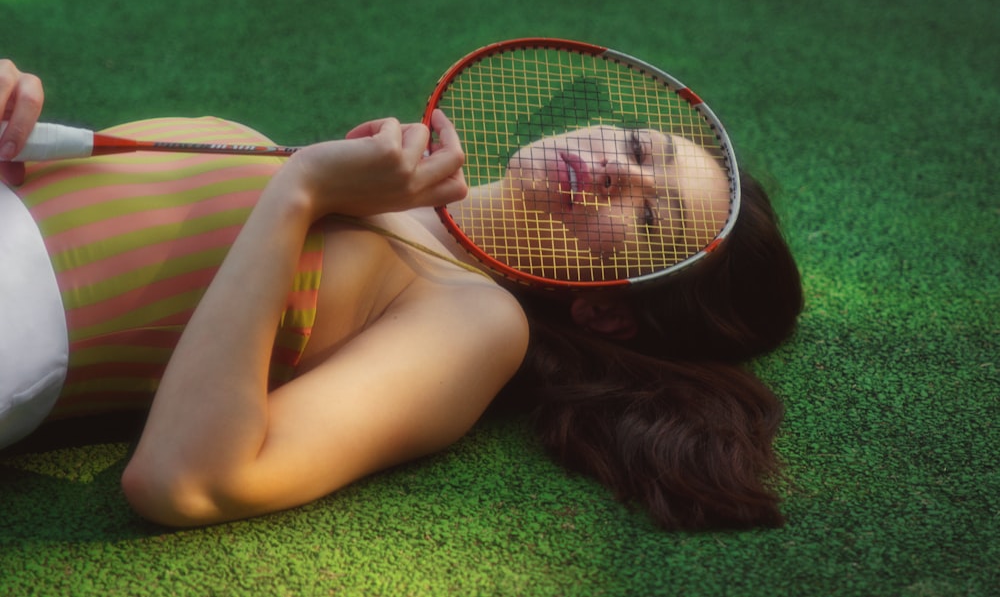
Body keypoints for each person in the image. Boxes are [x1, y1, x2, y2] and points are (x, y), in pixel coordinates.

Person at [0, 59, 802, 530]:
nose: (615, 169)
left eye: (648, 212)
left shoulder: (473, 316)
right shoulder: (375, 182)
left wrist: (301, 188)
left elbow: (187, 478)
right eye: (636, 143)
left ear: (605, 307)